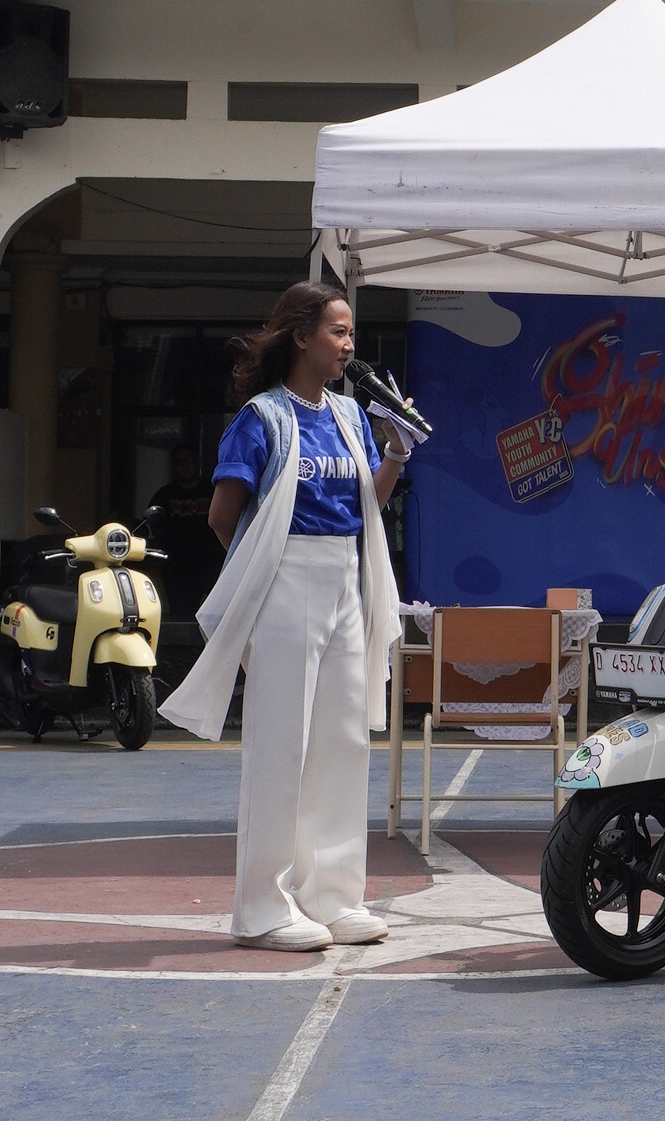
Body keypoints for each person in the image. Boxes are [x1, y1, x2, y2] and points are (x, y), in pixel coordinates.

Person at [159, 282, 404, 952]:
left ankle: (332, 895)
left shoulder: (353, 415)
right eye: (339, 332)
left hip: (345, 580)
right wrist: (262, 579)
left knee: (343, 741)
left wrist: (396, 453)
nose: (350, 345)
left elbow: (366, 505)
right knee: (281, 747)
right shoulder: (262, 417)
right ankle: (262, 907)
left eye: (350, 334)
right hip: (286, 580)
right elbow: (223, 517)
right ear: (302, 336)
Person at [147, 444, 221, 614]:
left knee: (220, 613)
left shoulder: (212, 491)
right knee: (181, 615)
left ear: (198, 463)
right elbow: (154, 525)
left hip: (212, 564)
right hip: (178, 568)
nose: (185, 465)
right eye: (180, 461)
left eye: (189, 460)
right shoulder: (165, 495)